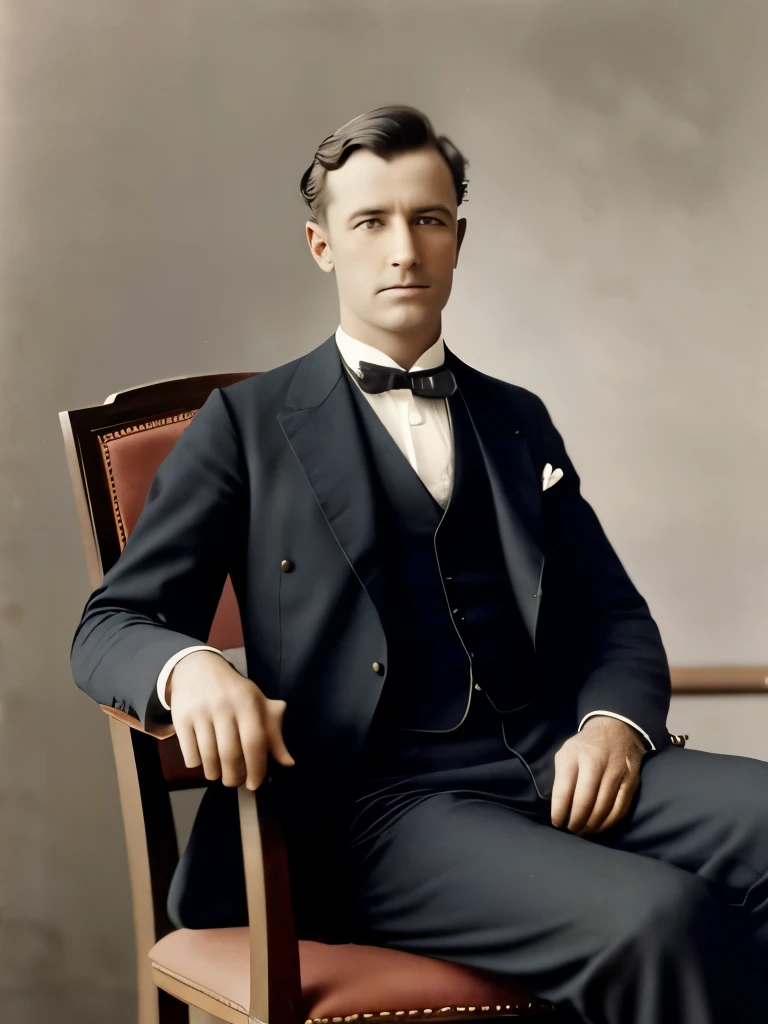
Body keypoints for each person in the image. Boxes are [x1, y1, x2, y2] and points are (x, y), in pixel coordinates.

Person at [70, 105, 768, 1023]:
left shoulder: (517, 417)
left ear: (458, 238)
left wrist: (611, 729)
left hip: (555, 757)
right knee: (657, 920)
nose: (404, 249)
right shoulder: (241, 429)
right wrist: (191, 666)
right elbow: (109, 625)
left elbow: (612, 615)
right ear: (322, 245)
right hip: (377, 809)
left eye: (428, 219)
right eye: (371, 222)